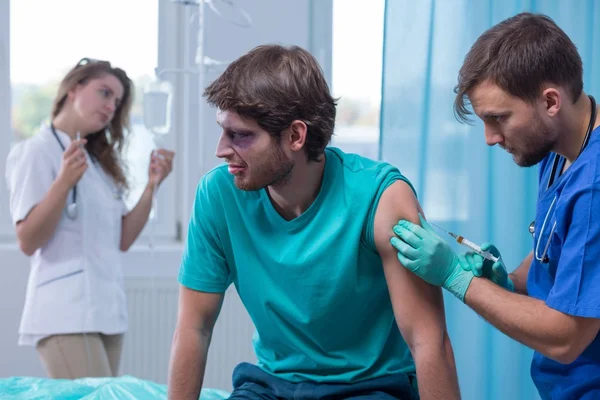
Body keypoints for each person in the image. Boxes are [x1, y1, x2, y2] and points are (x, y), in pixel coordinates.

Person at [168, 44, 461, 400]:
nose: (221, 149)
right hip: (271, 386)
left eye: (240, 135)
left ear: (295, 136)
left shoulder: (381, 198)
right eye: (222, 130)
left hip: (369, 388)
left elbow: (427, 339)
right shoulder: (218, 195)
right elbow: (194, 326)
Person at [390, 12, 600, 400]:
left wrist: (457, 277)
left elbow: (567, 336)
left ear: (550, 101)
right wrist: (508, 280)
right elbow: (557, 256)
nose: (489, 138)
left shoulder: (595, 185)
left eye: (498, 118)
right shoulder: (563, 151)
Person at [5, 58, 175, 379]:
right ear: (74, 88)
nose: (111, 106)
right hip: (64, 311)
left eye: (117, 101)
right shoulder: (35, 151)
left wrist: (152, 185)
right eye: (104, 93)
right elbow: (28, 240)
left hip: (106, 308)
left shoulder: (97, 164)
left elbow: (122, 239)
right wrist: (63, 182)